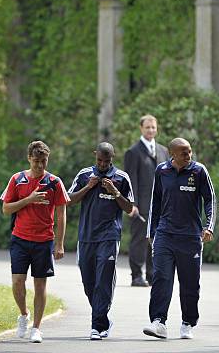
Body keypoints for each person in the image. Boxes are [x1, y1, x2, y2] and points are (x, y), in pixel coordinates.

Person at [143, 138, 216, 340]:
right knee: (161, 279)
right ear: (172, 154)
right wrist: (151, 232)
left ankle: (187, 322)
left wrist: (208, 226)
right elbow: (154, 202)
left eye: (190, 151)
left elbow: (210, 200)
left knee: (190, 283)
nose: (188, 155)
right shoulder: (162, 170)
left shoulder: (199, 171)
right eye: (184, 152)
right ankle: (158, 322)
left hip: (191, 237)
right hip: (165, 235)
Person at [0, 140, 69, 343]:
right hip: (20, 238)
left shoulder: (55, 182)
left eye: (44, 161)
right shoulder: (17, 179)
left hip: (44, 241)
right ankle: (23, 314)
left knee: (40, 285)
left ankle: (36, 329)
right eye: (36, 161)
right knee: (17, 282)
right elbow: (6, 209)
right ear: (29, 158)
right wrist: (29, 199)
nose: (40, 165)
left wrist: (59, 243)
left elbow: (61, 214)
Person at [68, 142, 134, 340]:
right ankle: (103, 319)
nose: (103, 164)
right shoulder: (84, 174)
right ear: (95, 155)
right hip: (87, 236)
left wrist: (115, 192)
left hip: (109, 235)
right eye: (100, 160)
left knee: (103, 281)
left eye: (107, 161)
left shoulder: (121, 178)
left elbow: (129, 208)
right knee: (89, 282)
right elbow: (69, 199)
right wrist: (88, 187)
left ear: (112, 158)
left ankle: (96, 326)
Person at [124, 114, 169, 287]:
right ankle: (136, 275)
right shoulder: (133, 152)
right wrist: (131, 203)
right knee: (139, 240)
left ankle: (152, 274)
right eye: (147, 127)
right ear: (141, 128)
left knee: (156, 240)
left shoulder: (164, 151)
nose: (151, 130)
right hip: (141, 205)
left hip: (161, 205)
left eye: (153, 127)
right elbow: (130, 180)